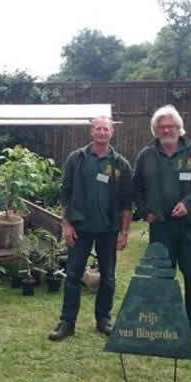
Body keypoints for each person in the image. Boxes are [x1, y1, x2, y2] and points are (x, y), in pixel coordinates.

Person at [132, 105, 191, 345]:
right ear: (155, 130)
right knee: (160, 277)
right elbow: (135, 188)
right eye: (162, 127)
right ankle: (162, 324)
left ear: (179, 128)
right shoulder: (146, 155)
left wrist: (189, 202)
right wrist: (144, 211)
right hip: (160, 227)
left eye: (170, 126)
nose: (166, 130)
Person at [49, 116, 133, 341]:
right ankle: (67, 323)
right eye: (98, 128)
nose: (102, 132)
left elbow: (127, 202)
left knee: (108, 277)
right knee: (73, 275)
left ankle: (103, 320)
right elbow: (65, 193)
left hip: (109, 229)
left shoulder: (120, 164)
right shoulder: (76, 159)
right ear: (91, 132)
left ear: (112, 133)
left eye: (106, 129)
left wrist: (124, 233)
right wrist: (66, 225)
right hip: (80, 228)